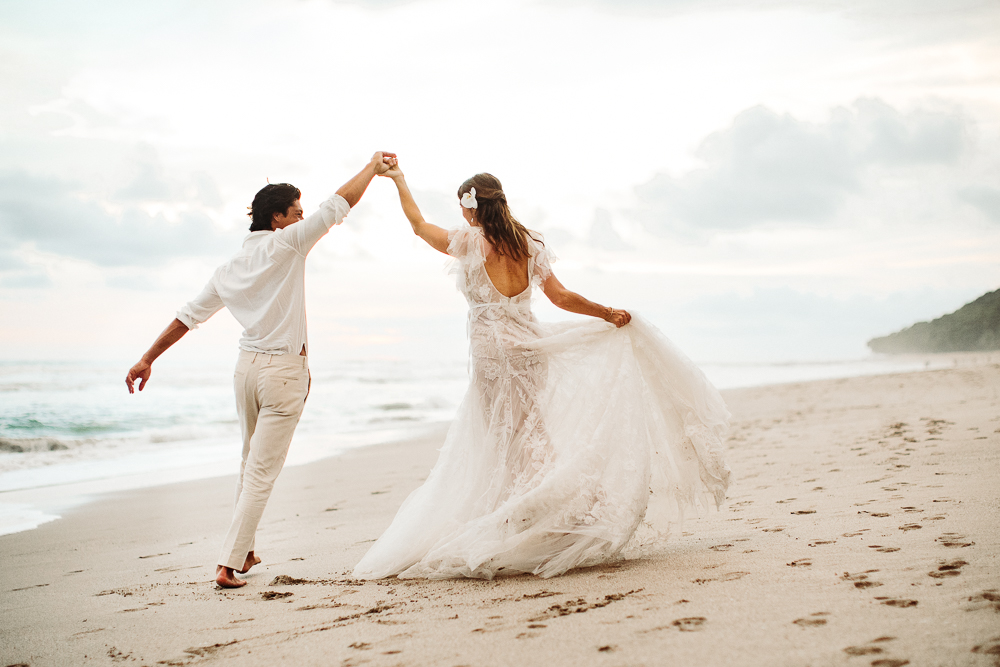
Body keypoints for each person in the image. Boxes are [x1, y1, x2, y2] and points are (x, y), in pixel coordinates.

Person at [353, 166, 732, 580]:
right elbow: (561, 297)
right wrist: (605, 313)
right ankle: (552, 504)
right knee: (530, 427)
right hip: (531, 347)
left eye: (461, 206)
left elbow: (418, 225)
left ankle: (536, 510)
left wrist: (398, 181)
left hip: (493, 353)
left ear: (471, 206)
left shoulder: (468, 242)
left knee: (508, 436)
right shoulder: (530, 244)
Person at [126, 151, 396, 588]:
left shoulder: (229, 267)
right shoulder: (287, 242)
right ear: (278, 219)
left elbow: (188, 317)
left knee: (249, 462)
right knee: (261, 473)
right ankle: (227, 565)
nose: (303, 219)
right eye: (297, 213)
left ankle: (245, 549)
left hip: (245, 372)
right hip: (283, 373)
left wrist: (147, 359)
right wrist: (372, 167)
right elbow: (338, 206)